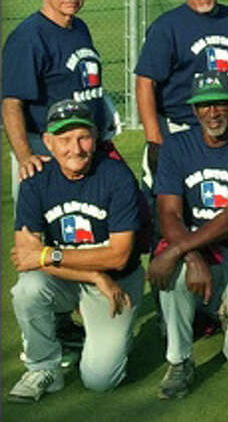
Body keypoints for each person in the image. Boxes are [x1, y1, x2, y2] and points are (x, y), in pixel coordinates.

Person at [148, 72, 228, 399]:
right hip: (199, 247)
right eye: (204, 105)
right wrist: (189, 256)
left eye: (221, 104)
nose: (213, 112)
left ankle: (223, 306)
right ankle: (179, 360)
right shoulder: (177, 146)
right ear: (194, 110)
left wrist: (177, 249)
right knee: (172, 271)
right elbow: (169, 213)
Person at [9, 100, 144, 401]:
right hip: (75, 279)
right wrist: (94, 274)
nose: (76, 148)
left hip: (117, 283)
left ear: (95, 137)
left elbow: (119, 256)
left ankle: (107, 338)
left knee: (100, 380)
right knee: (27, 289)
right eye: (65, 139)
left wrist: (49, 255)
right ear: (48, 142)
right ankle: (43, 367)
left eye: (83, 137)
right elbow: (26, 256)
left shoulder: (117, 176)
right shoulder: (36, 180)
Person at [2, 0, 118, 203]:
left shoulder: (79, 27)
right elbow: (11, 103)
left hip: (85, 146)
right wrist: (25, 156)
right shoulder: (28, 38)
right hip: (48, 149)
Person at [134, 0, 228, 193]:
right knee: (165, 200)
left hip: (226, 130)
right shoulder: (167, 27)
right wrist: (154, 139)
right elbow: (145, 83)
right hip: (179, 130)